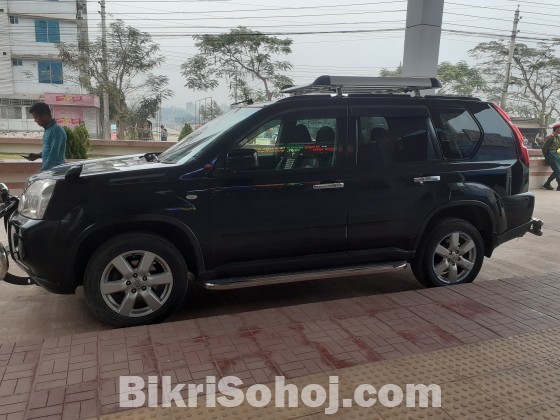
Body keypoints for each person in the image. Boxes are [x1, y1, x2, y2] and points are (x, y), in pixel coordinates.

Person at [26, 102, 67, 172]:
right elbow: (49, 150)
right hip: (49, 172)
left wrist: (42, 172)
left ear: (44, 115)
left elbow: (54, 154)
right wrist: (38, 155)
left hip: (56, 173)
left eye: (36, 117)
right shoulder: (48, 130)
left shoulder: (57, 129)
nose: (35, 120)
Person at [541, 123, 560, 190]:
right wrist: (547, 156)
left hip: (556, 155)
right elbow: (544, 148)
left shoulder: (557, 137)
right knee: (558, 171)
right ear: (557, 129)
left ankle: (547, 184)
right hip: (551, 156)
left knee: (557, 171)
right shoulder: (550, 137)